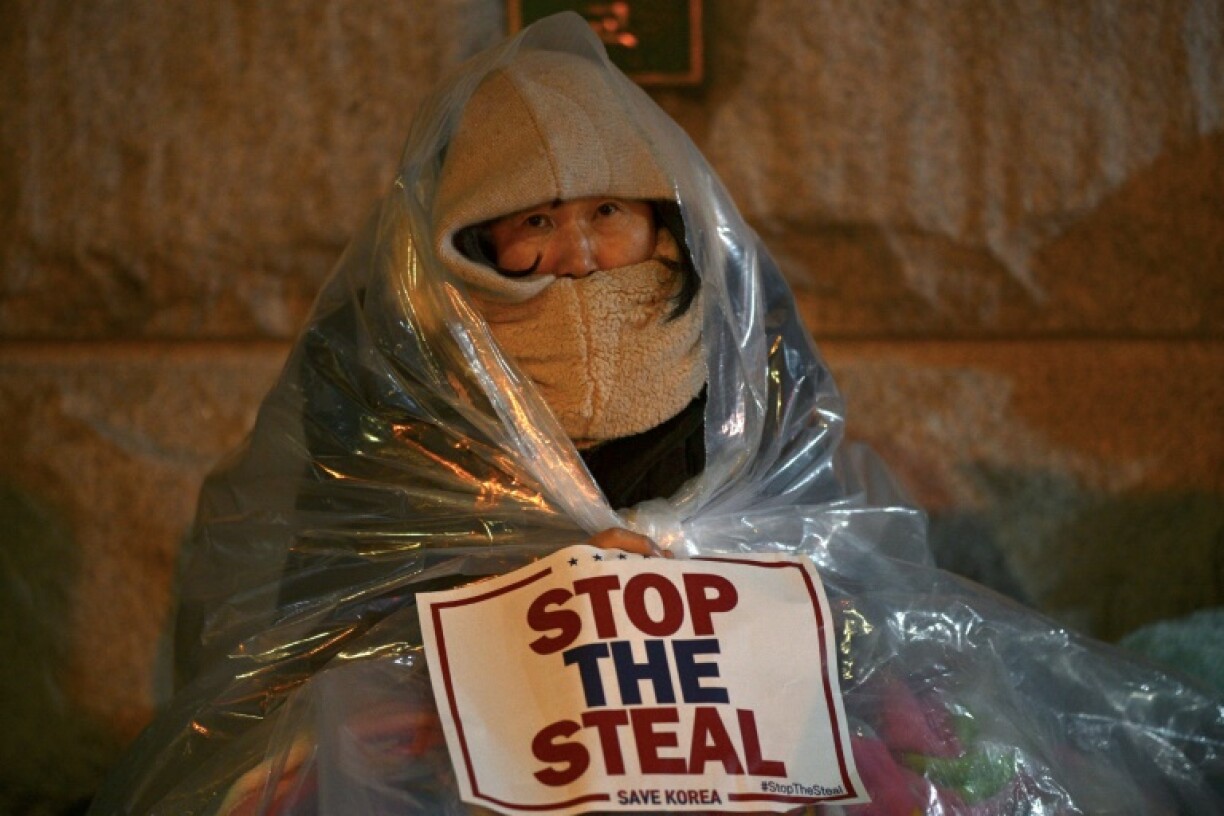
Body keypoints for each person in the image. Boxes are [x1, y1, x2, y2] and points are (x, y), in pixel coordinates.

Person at [90, 13, 1223, 815]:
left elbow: (804, 501)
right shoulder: (396, 358)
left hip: (709, 695)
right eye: (531, 221)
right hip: (487, 705)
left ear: (667, 222)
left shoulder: (735, 323)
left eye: (608, 211)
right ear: (470, 238)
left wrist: (690, 557)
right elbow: (345, 565)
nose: (575, 250)